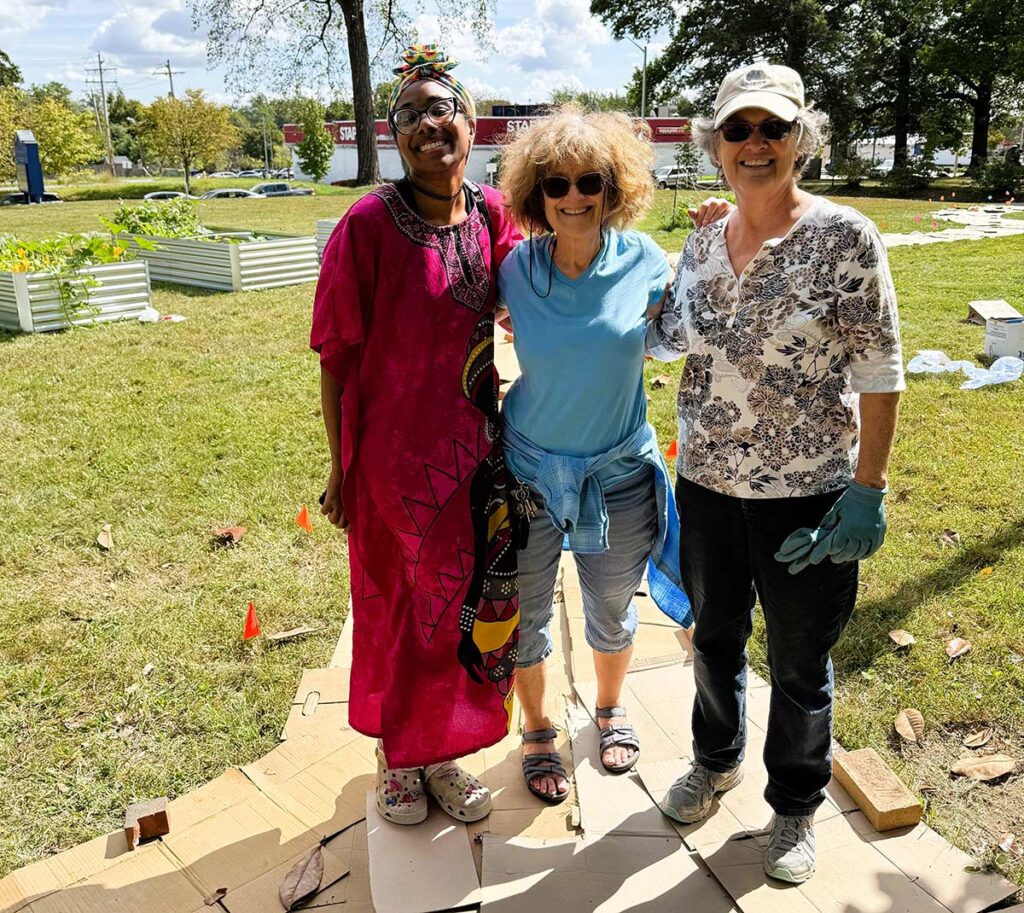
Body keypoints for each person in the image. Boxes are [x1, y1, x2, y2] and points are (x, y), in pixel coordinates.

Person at [647, 63, 904, 883]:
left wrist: (867, 488)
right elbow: (661, 337)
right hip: (710, 486)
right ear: (715, 143)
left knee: (800, 659)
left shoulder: (845, 237)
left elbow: (881, 369)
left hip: (810, 495)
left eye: (773, 128)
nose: (755, 143)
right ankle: (716, 758)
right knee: (714, 638)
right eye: (738, 129)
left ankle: (794, 805)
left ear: (801, 138)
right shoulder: (701, 240)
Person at [311, 44, 522, 826]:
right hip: (394, 464)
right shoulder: (367, 225)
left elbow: (533, 290)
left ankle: (444, 753)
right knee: (401, 605)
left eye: (444, 109)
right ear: (394, 138)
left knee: (463, 603)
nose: (429, 124)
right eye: (410, 115)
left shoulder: (495, 212)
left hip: (475, 456)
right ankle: (399, 756)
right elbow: (336, 361)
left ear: (471, 124)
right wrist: (341, 468)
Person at [497, 106, 729, 803]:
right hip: (529, 473)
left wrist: (712, 242)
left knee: (611, 607)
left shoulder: (644, 263)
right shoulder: (515, 269)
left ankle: (608, 708)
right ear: (536, 195)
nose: (574, 196)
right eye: (556, 184)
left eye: (589, 180)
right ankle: (537, 728)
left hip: (619, 475)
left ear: (613, 186)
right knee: (525, 610)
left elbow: (691, 324)